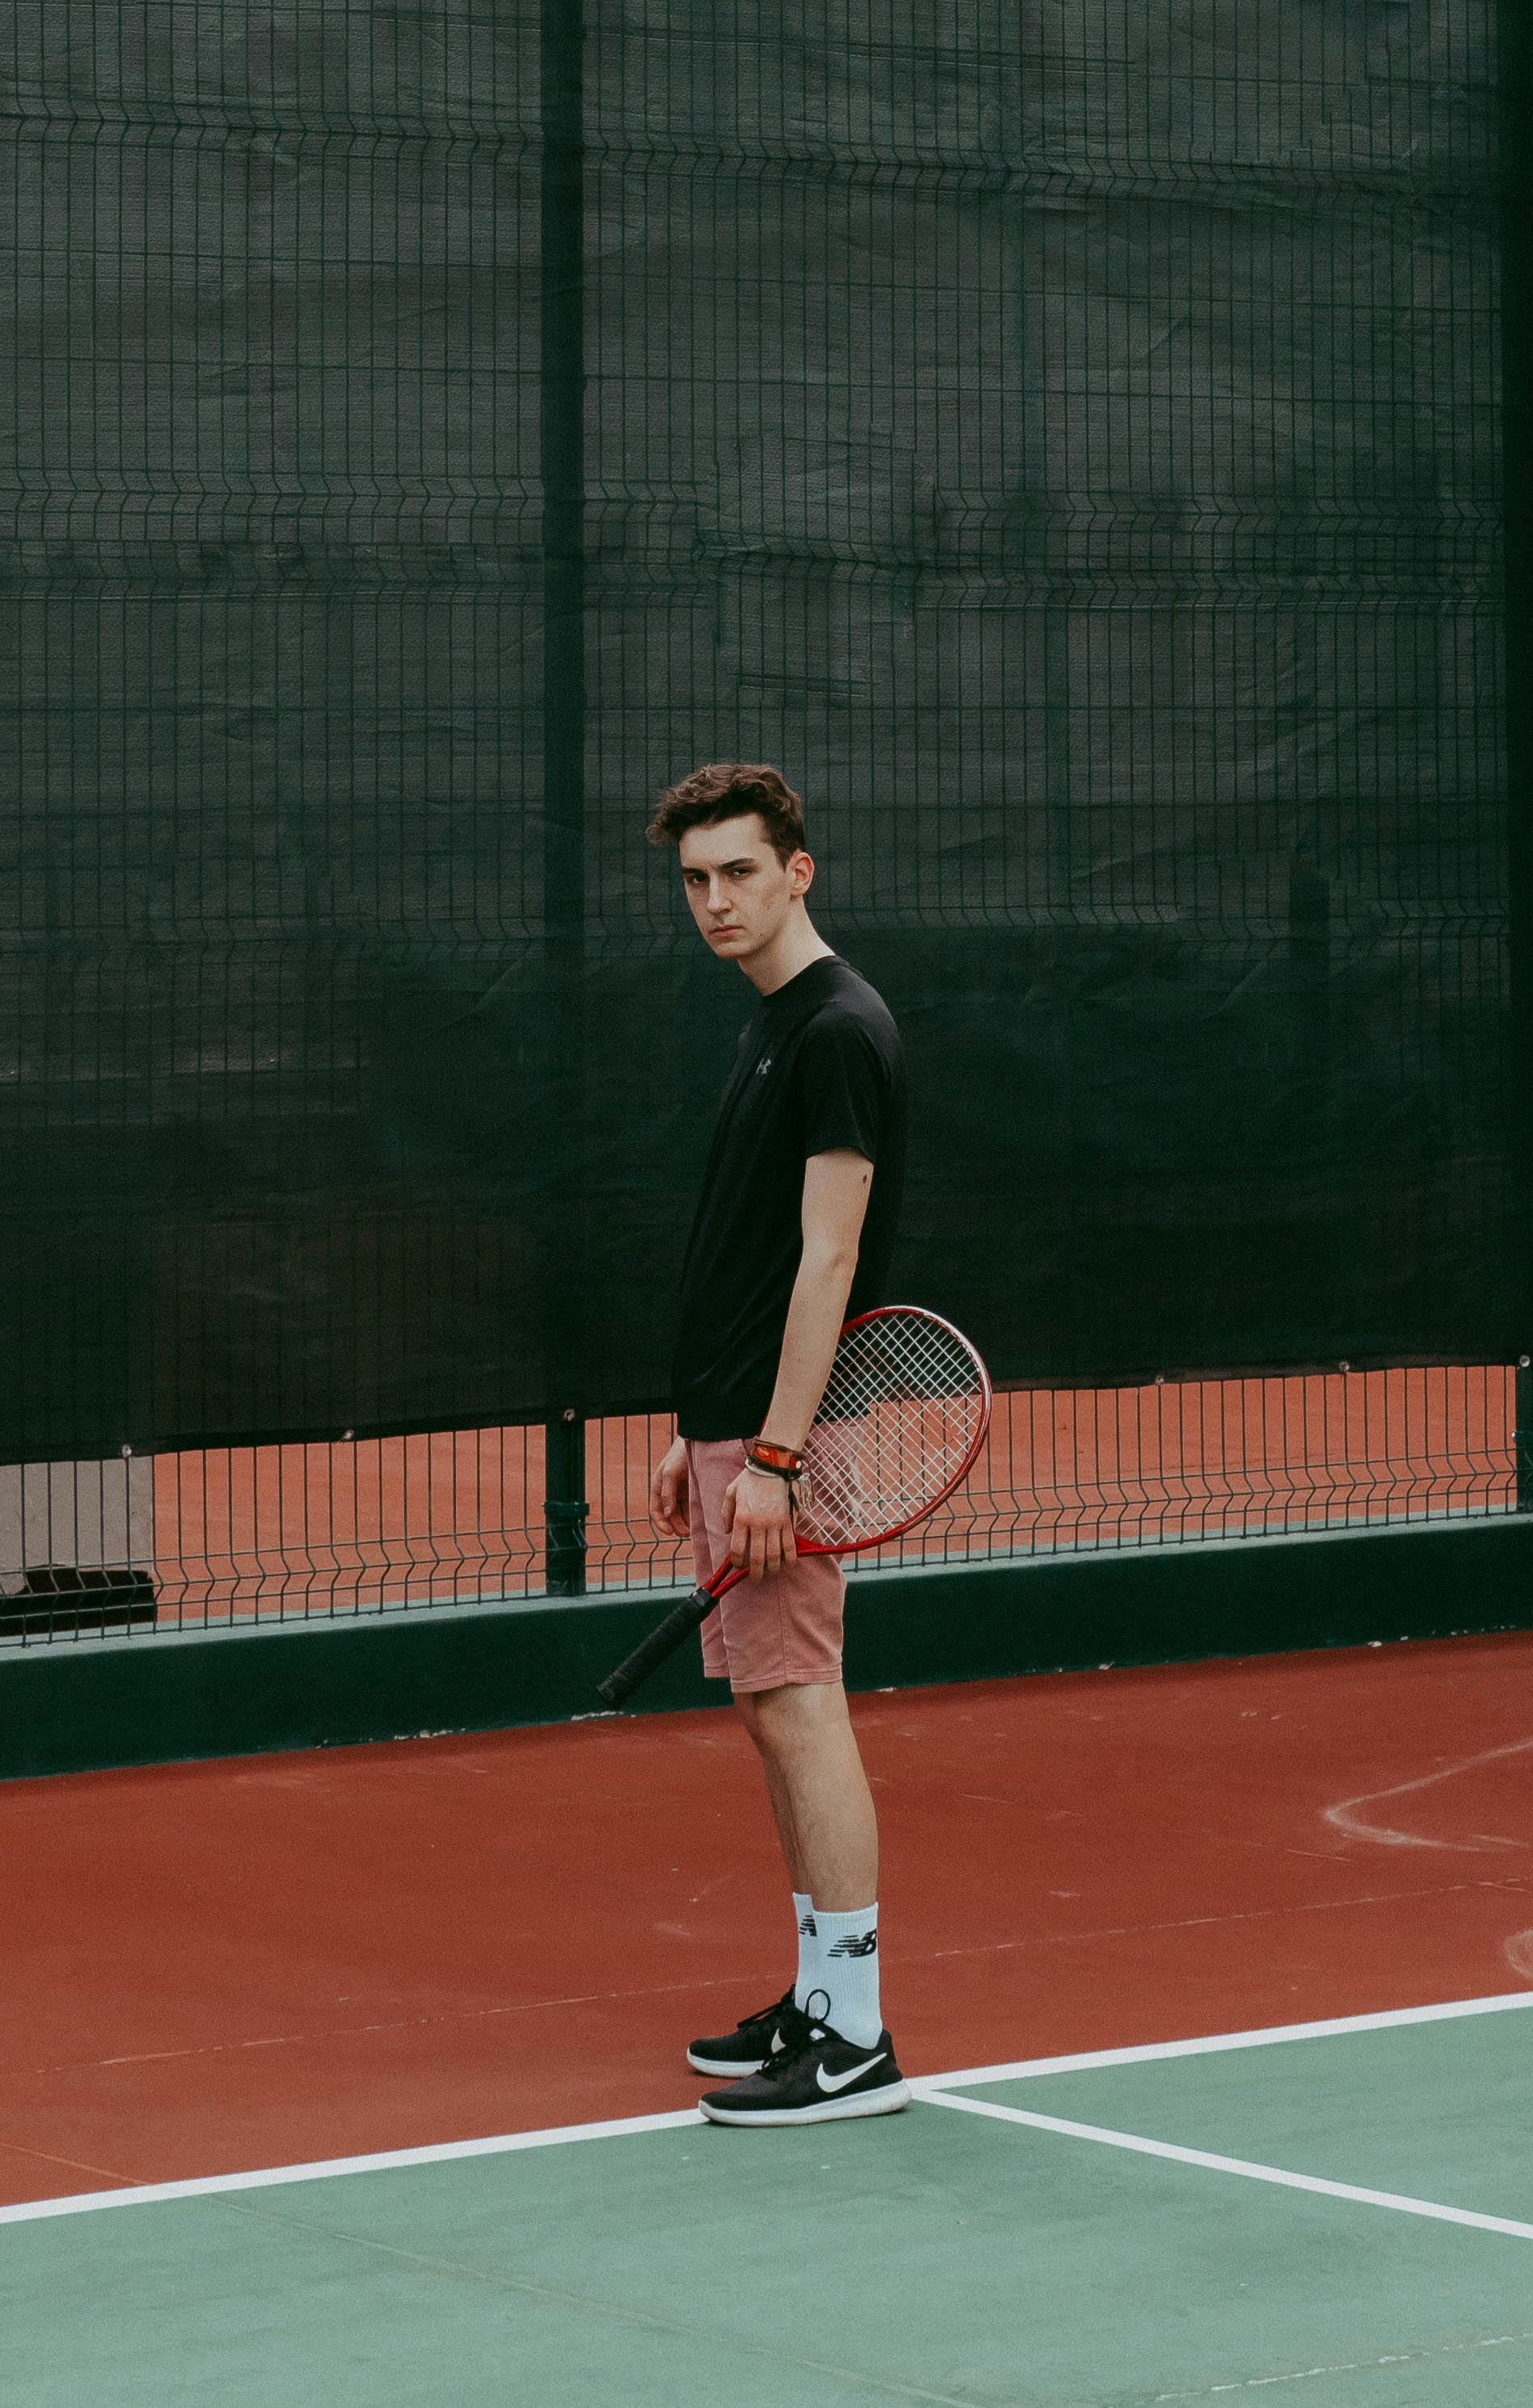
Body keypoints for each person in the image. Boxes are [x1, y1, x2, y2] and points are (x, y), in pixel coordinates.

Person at [644, 759, 911, 2127]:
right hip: (734, 1432)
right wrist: (690, 1430)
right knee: (767, 1706)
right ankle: (818, 1993)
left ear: (797, 870)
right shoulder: (767, 1024)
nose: (714, 902)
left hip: (785, 1442)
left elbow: (827, 1259)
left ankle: (856, 2034)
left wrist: (776, 1457)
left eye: (738, 872)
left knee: (802, 1703)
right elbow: (734, 1256)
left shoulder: (835, 1031)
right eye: (694, 880)